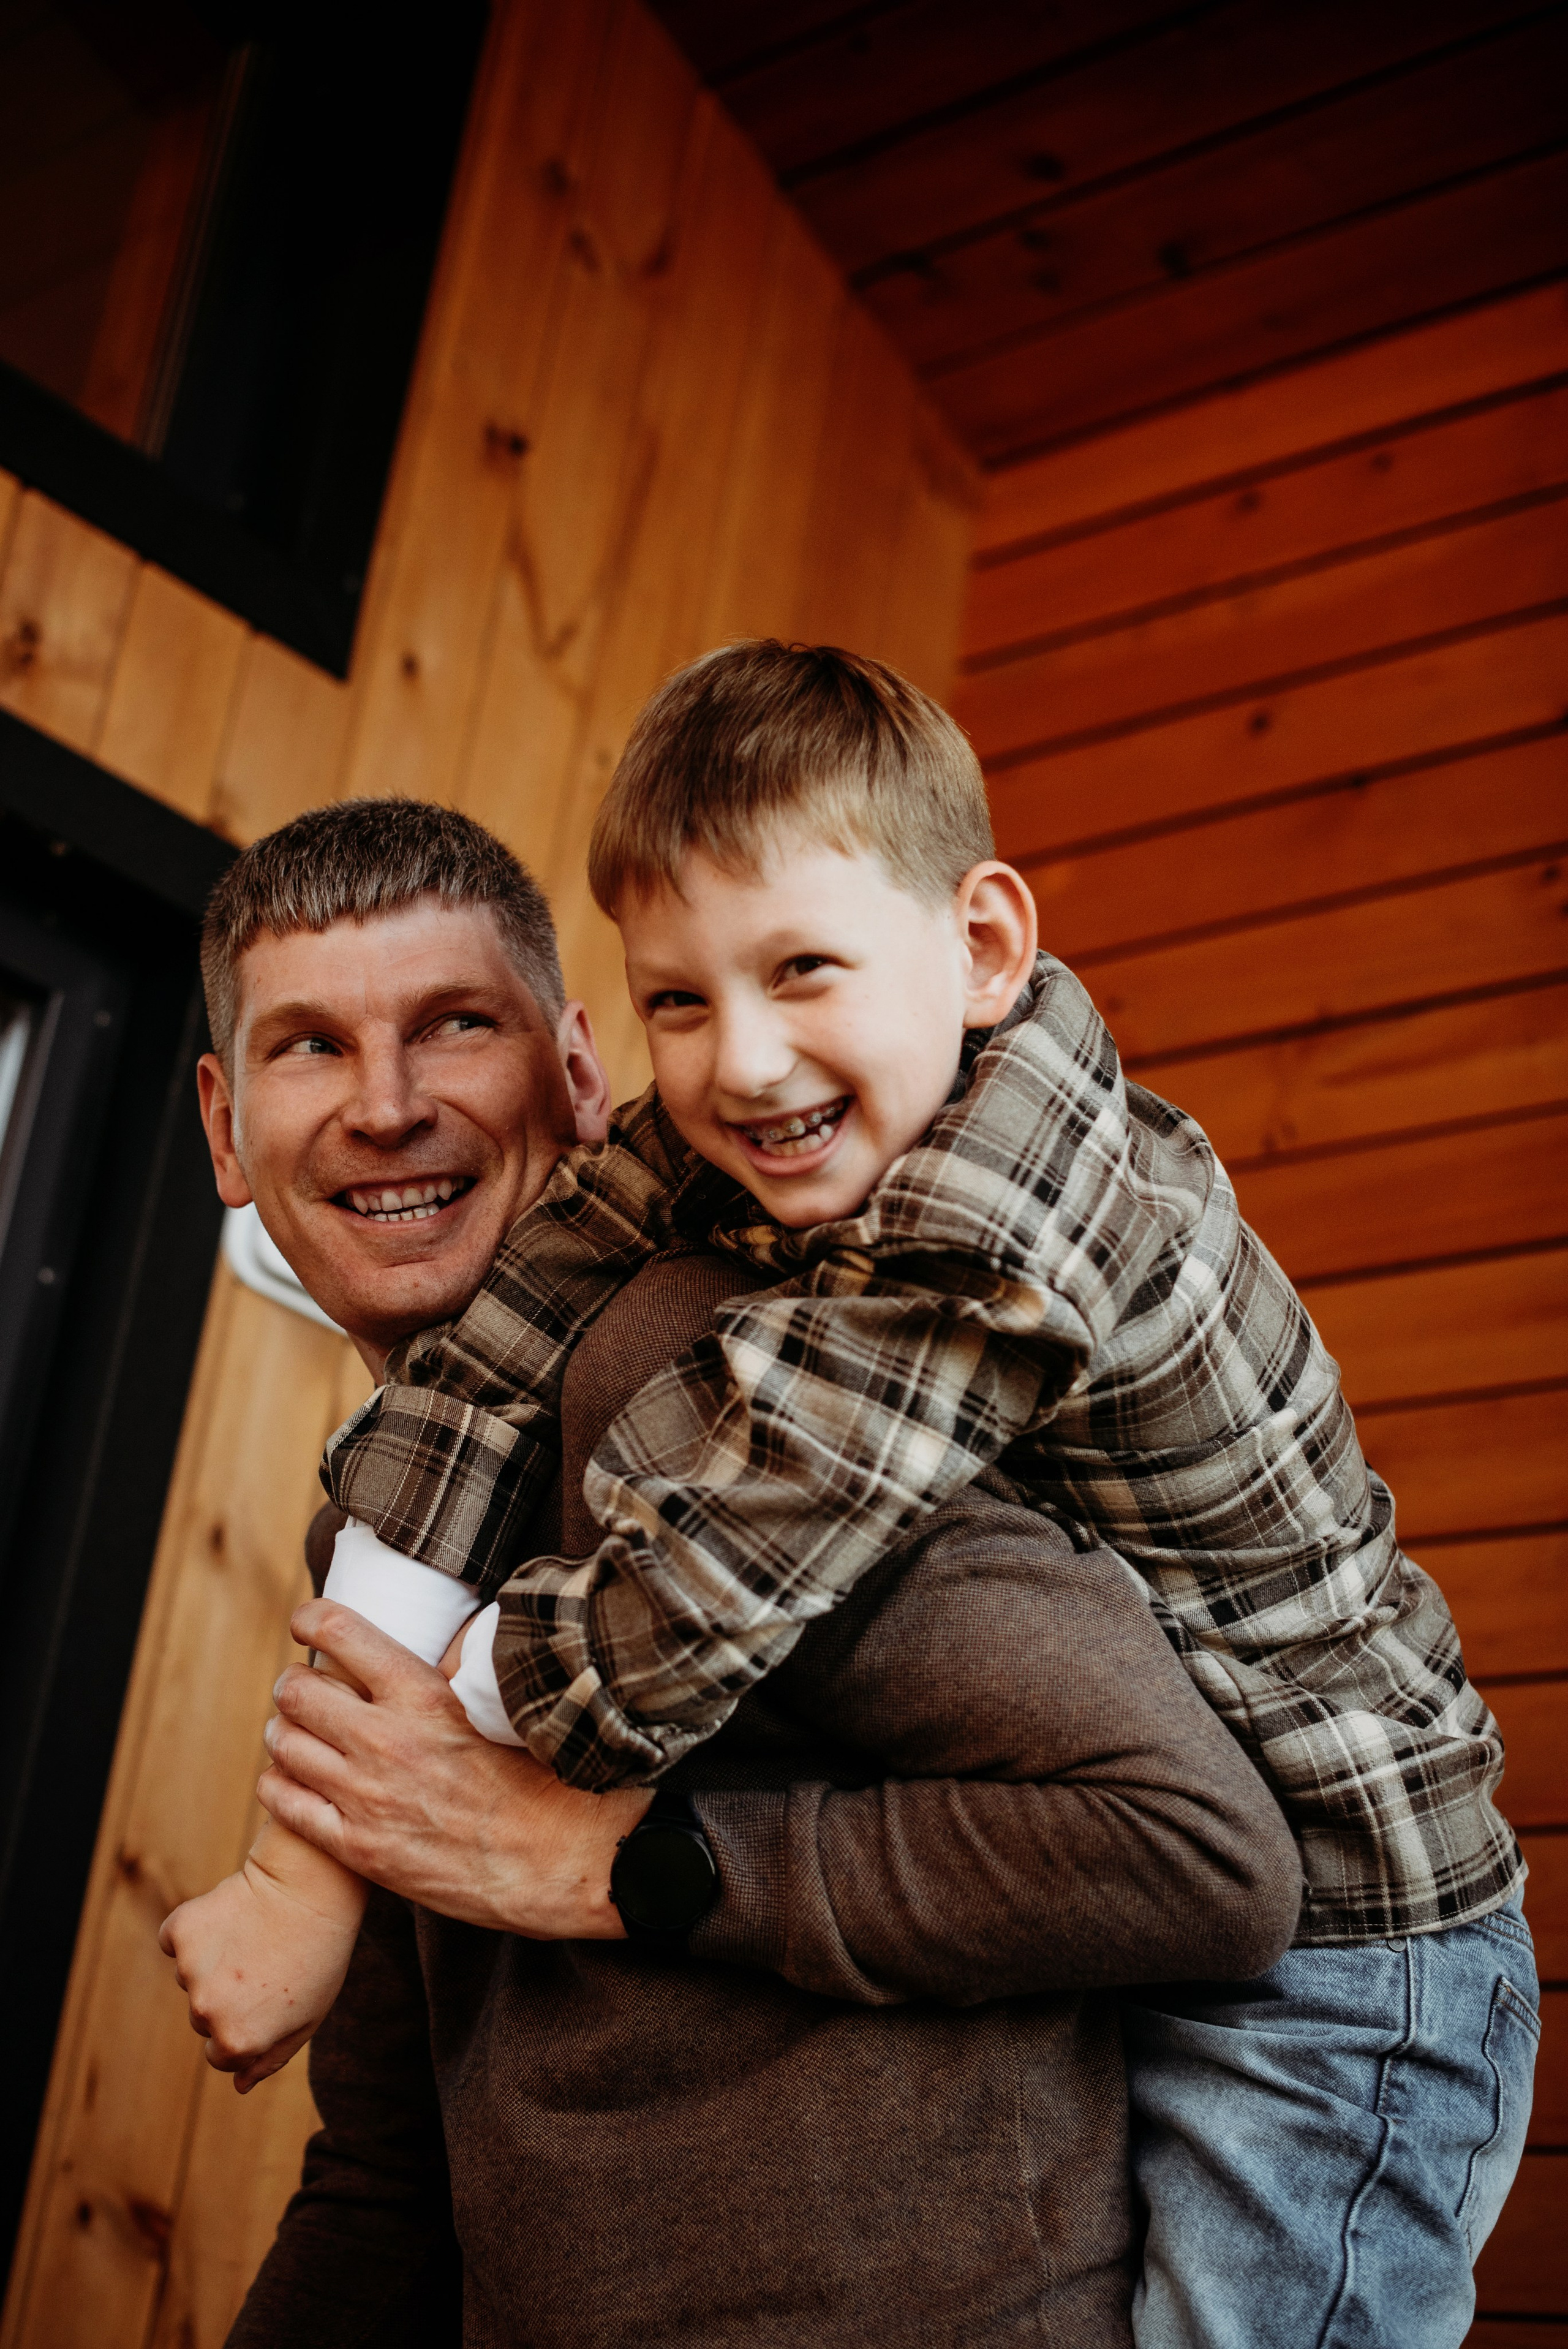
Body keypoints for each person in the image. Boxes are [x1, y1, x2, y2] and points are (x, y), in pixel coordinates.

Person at [172, 629, 1537, 2342]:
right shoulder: (684, 1203)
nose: (746, 1059)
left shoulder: (852, 1319)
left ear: (572, 1082)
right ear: (222, 1126)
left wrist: (487, 1773)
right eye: (309, 1047)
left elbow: (1195, 1851)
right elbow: (386, 2175)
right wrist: (331, 1825)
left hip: (1371, 1940)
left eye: (456, 1024)